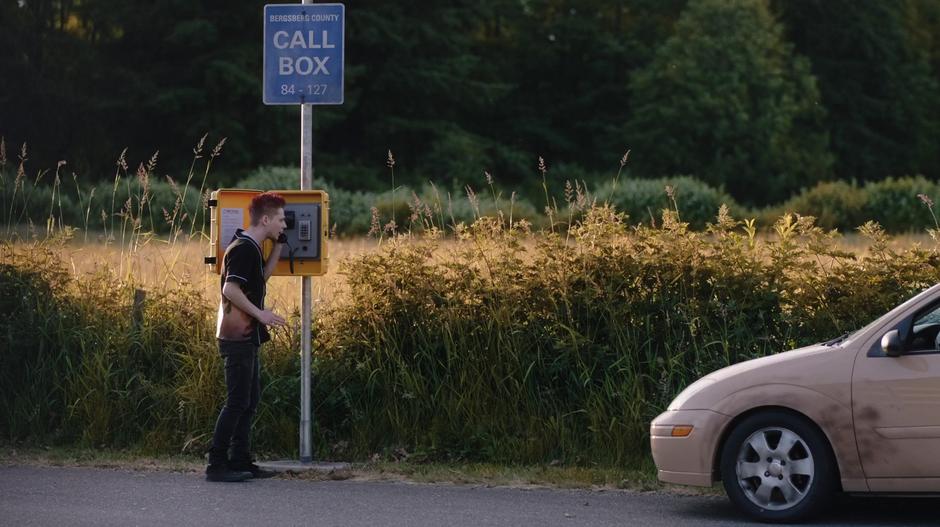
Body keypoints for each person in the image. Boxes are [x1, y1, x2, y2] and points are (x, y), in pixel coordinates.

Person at [206, 192, 288, 482]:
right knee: (237, 401)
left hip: (247, 336)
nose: (284, 224)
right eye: (280, 219)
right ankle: (216, 465)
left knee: (249, 401)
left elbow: (260, 279)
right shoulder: (242, 248)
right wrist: (261, 314)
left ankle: (240, 460)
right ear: (265, 219)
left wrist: (278, 247)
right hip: (236, 336)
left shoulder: (252, 248)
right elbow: (230, 289)